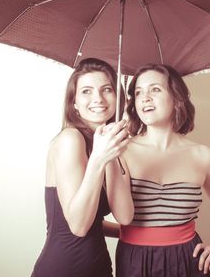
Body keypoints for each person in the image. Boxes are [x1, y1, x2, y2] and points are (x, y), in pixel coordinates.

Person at [113, 63, 210, 277]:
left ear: (177, 98)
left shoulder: (204, 156)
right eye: (138, 92)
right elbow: (119, 216)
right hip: (135, 261)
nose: (144, 98)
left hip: (190, 260)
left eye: (155, 89)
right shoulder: (119, 151)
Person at [31, 57, 132, 277]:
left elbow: (124, 217)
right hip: (64, 268)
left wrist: (110, 152)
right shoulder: (70, 140)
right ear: (74, 102)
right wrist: (99, 158)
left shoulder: (109, 144)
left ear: (118, 98)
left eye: (107, 89)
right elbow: (78, 225)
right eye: (86, 91)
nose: (98, 98)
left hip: (100, 268)